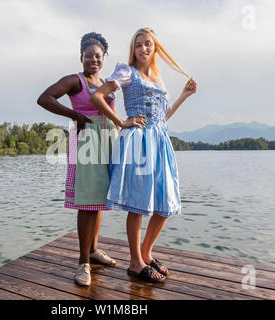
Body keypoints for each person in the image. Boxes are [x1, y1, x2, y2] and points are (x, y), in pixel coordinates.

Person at [90, 27, 197, 283]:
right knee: (139, 204)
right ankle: (135, 262)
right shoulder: (127, 72)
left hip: (160, 141)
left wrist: (184, 94)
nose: (143, 49)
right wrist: (121, 121)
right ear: (133, 49)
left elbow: (163, 115)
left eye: (148, 44)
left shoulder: (158, 81)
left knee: (165, 203)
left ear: (155, 48)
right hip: (139, 141)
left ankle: (146, 252)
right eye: (138, 45)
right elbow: (97, 96)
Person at [37, 32, 118, 286]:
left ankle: (94, 250)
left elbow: (113, 113)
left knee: (101, 197)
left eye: (98, 55)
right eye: (88, 55)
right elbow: (44, 98)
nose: (93, 59)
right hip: (86, 141)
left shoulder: (106, 82)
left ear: (103, 58)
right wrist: (75, 115)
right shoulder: (75, 80)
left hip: (107, 141)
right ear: (81, 57)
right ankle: (83, 263)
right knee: (87, 200)